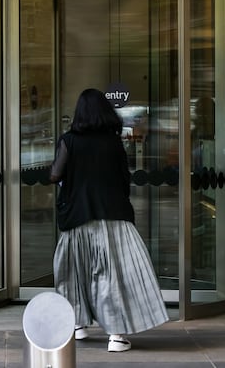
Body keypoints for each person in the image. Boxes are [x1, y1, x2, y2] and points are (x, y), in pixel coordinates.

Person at [50, 88, 168, 353]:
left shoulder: (69, 141)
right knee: (111, 274)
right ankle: (116, 335)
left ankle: (77, 325)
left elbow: (55, 175)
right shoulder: (114, 142)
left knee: (73, 272)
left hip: (77, 216)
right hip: (112, 214)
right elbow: (123, 179)